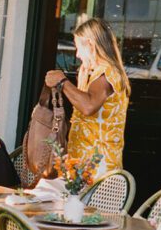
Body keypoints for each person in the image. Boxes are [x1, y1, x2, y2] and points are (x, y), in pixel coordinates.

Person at [45, 17, 130, 172]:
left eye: (78, 48)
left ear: (91, 45)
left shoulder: (107, 72)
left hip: (97, 169)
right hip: (86, 167)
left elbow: (88, 106)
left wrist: (62, 81)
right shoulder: (98, 73)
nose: (77, 55)